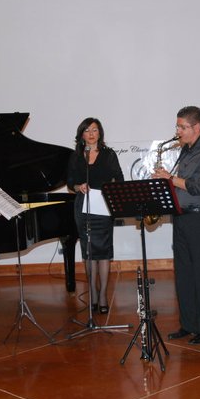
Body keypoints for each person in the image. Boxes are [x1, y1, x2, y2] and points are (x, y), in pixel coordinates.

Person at [153, 106, 200, 345]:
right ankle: (188, 324)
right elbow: (180, 183)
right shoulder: (185, 149)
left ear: (197, 127)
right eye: (177, 126)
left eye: (182, 127)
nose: (178, 131)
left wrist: (170, 179)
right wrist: (164, 180)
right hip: (181, 217)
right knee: (183, 274)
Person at [66, 118, 124, 314]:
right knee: (89, 250)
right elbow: (70, 183)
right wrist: (78, 186)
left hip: (104, 206)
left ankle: (103, 295)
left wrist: (110, 188)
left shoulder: (109, 155)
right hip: (83, 207)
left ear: (100, 133)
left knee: (104, 251)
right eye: (87, 130)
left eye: (95, 130)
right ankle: (92, 293)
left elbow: (119, 178)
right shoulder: (76, 156)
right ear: (82, 134)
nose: (91, 134)